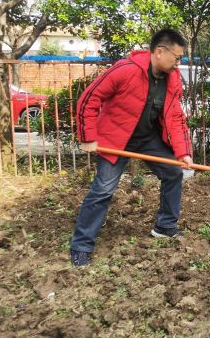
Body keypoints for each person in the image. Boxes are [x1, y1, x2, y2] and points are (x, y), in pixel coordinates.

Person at [69, 29, 192, 267]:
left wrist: (183, 152)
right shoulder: (125, 70)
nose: (178, 63)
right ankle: (81, 246)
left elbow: (176, 117)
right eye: (177, 57)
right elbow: (88, 99)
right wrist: (87, 137)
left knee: (173, 172)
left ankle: (165, 226)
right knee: (103, 190)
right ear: (159, 52)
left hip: (147, 138)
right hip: (116, 139)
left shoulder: (172, 80)